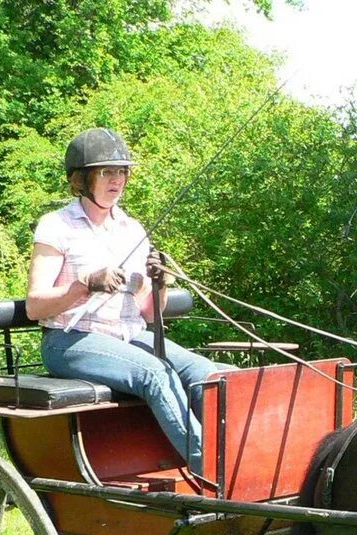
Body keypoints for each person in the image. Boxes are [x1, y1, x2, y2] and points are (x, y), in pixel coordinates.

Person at [25, 127, 231, 475]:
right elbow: (35, 306)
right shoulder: (56, 226)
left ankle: (245, 459)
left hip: (127, 335)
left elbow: (149, 312)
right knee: (155, 372)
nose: (117, 180)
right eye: (107, 171)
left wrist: (160, 283)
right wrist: (86, 284)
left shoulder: (131, 229)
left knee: (208, 374)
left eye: (122, 172)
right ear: (81, 179)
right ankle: (211, 469)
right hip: (70, 340)